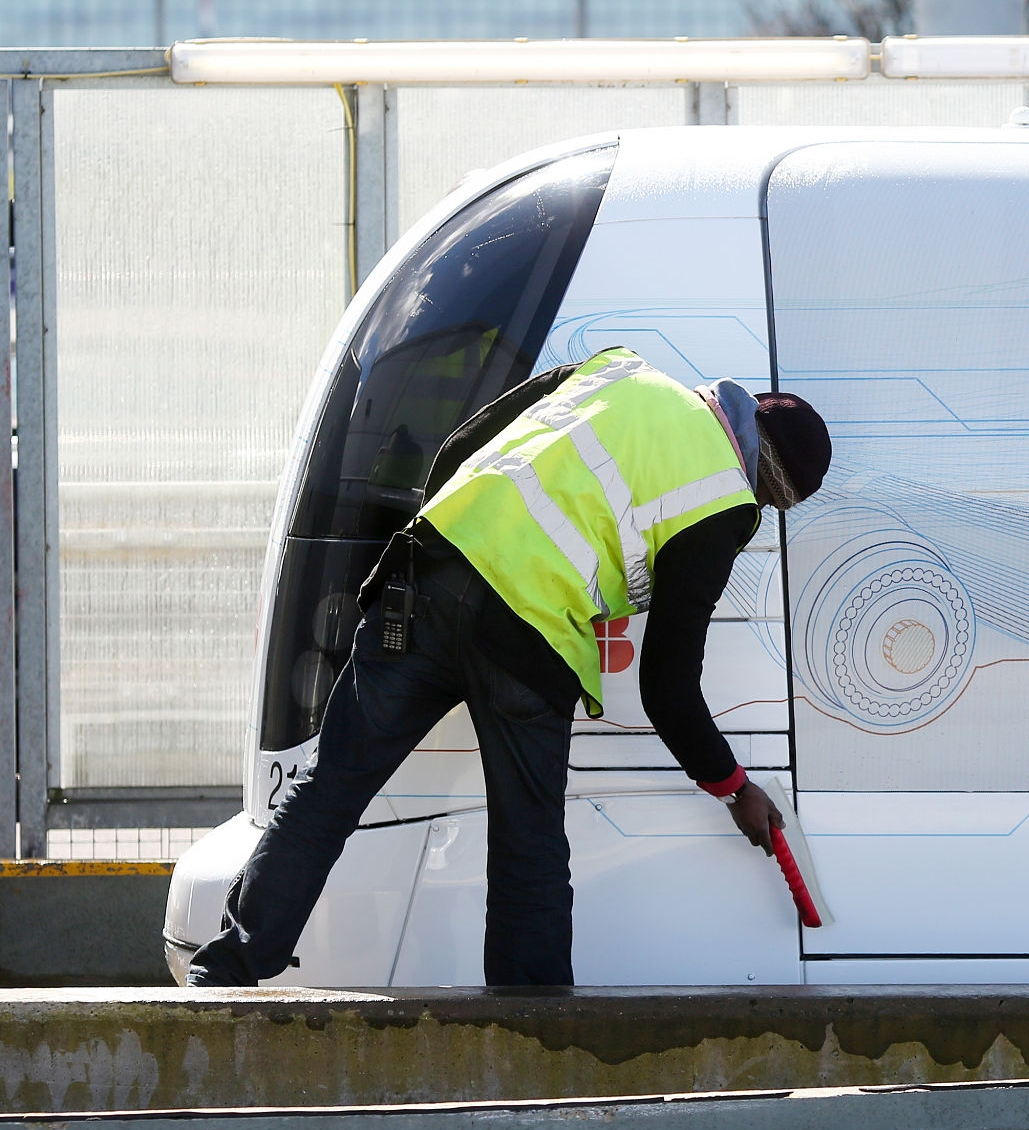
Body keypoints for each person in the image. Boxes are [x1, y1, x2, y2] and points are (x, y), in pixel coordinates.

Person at [187, 347, 831, 987]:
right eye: (773, 500)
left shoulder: (618, 370)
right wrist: (734, 787)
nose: (763, 510)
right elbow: (666, 686)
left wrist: (454, 548)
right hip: (529, 641)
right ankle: (530, 1035)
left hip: (425, 579)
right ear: (768, 479)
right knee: (530, 848)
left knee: (331, 788)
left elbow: (461, 445)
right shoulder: (723, 500)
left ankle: (226, 972)